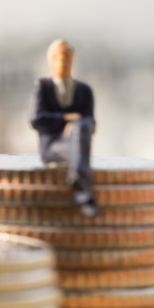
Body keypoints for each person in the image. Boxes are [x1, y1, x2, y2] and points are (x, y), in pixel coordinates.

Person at [30, 39, 98, 217]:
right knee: (79, 141)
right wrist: (66, 119)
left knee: (81, 128)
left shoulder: (84, 90)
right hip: (53, 147)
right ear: (50, 60)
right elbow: (36, 119)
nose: (63, 60)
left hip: (76, 142)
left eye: (67, 56)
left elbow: (91, 123)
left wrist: (75, 126)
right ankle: (84, 196)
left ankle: (78, 179)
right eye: (59, 56)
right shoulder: (43, 87)